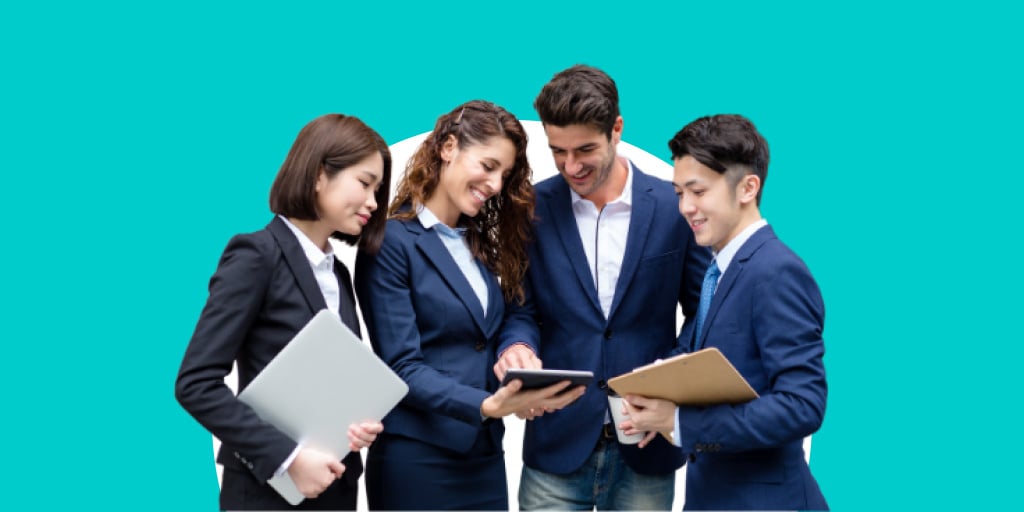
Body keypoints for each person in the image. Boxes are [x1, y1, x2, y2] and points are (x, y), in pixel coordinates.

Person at [495, 65, 711, 510]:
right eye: (558, 151)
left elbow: (703, 310)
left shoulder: (675, 208)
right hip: (557, 445)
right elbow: (521, 309)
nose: (571, 166)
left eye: (585, 149)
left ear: (616, 129)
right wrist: (515, 346)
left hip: (648, 445)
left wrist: (669, 379)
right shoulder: (529, 209)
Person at [354, 100, 585, 510]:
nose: (496, 184)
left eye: (505, 174)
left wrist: (518, 362)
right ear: (448, 147)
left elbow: (507, 320)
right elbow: (401, 365)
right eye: (488, 165)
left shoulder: (477, 243)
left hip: (483, 458)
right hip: (418, 458)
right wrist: (485, 404)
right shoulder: (391, 243)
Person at [175, 114, 391, 510]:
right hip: (266, 494)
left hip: (335, 491)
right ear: (318, 175)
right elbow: (195, 384)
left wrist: (352, 429)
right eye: (364, 183)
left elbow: (327, 383)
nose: (374, 203)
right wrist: (288, 458)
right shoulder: (256, 255)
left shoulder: (338, 272)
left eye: (378, 189)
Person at [620, 114, 829, 510]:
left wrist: (679, 423)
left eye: (698, 191)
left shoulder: (777, 272)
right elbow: (702, 358)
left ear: (748, 187)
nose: (685, 207)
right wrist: (652, 394)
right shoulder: (718, 269)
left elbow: (803, 403)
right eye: (679, 192)